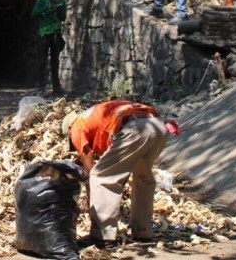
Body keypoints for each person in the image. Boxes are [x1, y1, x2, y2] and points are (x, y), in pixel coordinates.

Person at [62, 101, 179, 247]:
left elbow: (90, 168)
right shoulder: (94, 117)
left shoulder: (77, 127)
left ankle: (103, 236)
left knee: (101, 176)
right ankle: (143, 232)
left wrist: (91, 197)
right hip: (158, 126)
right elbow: (120, 167)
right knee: (143, 178)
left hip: (135, 128)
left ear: (68, 128)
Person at [30, 0, 66, 95]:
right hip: (44, 33)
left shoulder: (61, 1)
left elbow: (63, 17)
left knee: (55, 61)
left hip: (56, 33)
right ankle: (40, 86)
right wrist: (46, 8)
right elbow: (34, 13)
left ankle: (57, 87)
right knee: (41, 60)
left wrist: (59, 9)